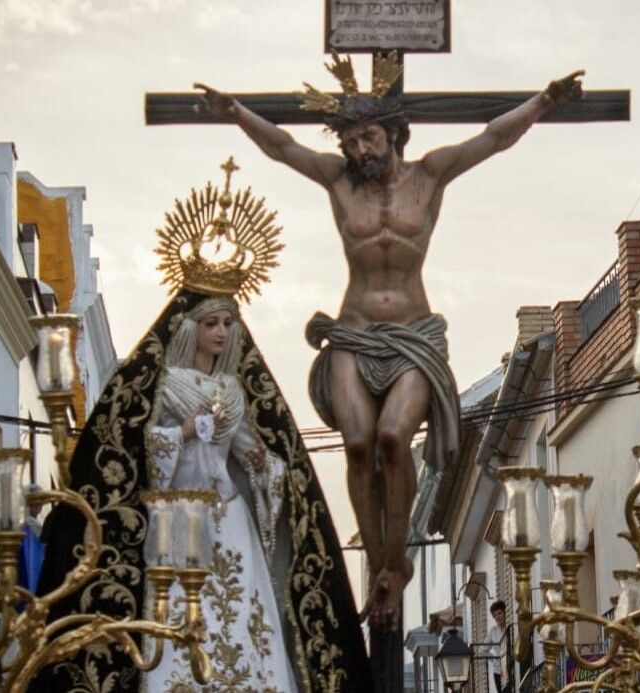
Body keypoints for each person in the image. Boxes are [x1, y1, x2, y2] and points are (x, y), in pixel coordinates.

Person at [195, 58, 583, 630]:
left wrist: (544, 102)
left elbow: (494, 138)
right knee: (357, 444)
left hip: (411, 337)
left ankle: (396, 559)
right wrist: (234, 113)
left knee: (394, 440)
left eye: (369, 137)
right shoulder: (336, 181)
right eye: (351, 141)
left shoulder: (430, 175)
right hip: (353, 332)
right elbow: (281, 147)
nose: (360, 150)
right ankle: (378, 562)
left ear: (394, 134)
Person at [31, 160, 370, 691]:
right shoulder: (161, 388)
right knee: (175, 635)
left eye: (228, 322)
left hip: (231, 522)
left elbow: (262, 462)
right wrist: (182, 434)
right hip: (176, 525)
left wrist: (263, 464)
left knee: (246, 627)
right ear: (191, 327)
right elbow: (129, 455)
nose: (221, 331)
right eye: (211, 322)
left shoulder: (237, 392)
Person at [486, 600, 514, 693]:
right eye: (495, 615)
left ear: (505, 613)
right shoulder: (493, 631)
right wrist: (494, 658)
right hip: (498, 671)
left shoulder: (511, 627)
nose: (498, 617)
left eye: (500, 613)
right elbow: (483, 650)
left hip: (511, 667)